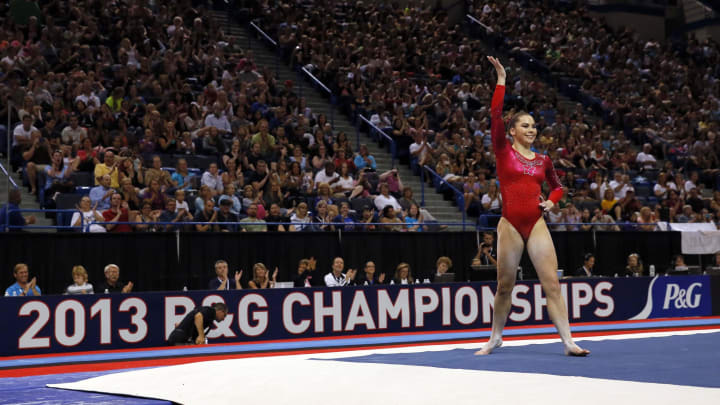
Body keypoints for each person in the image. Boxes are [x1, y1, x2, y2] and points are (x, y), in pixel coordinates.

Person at [476, 57, 588, 356]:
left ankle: (568, 341)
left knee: (552, 282)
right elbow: (496, 112)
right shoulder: (503, 150)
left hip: (536, 222)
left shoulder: (543, 160)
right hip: (510, 223)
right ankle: (495, 337)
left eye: (534, 126)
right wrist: (501, 79)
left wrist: (551, 202)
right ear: (511, 130)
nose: (532, 129)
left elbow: (559, 186)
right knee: (504, 286)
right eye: (525, 125)